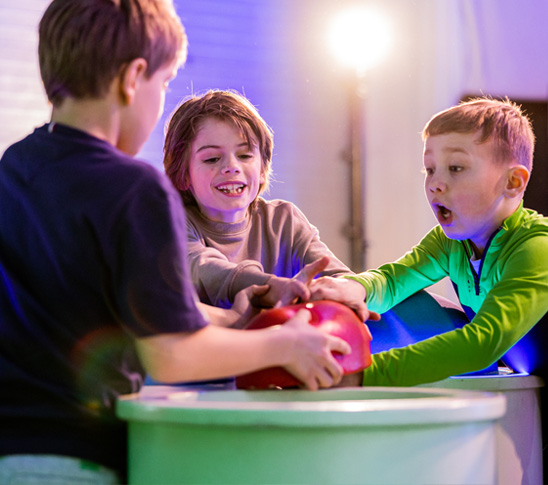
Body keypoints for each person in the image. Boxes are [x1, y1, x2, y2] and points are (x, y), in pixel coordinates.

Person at [0, 1, 351, 483]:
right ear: (132, 78)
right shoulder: (133, 189)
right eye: (164, 84)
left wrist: (230, 319)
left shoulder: (14, 171)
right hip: (75, 457)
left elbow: (109, 309)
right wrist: (285, 344)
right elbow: (170, 353)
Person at [308, 97, 548, 386]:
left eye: (456, 168)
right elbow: (395, 281)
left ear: (513, 182)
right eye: (430, 169)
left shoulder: (537, 247)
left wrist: (363, 375)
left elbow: (481, 344)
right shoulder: (450, 242)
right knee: (405, 303)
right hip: (525, 378)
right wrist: (355, 287)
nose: (435, 183)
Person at [163, 89, 354, 310]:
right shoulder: (172, 222)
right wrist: (270, 286)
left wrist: (343, 290)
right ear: (183, 174)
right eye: (212, 158)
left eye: (244, 155)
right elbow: (205, 269)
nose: (232, 167)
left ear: (263, 168)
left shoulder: (285, 221)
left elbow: (338, 277)